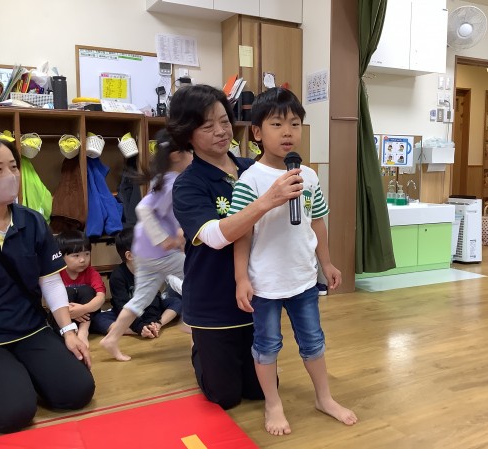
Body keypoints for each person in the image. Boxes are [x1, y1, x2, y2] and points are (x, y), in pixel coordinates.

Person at [228, 87, 357, 436]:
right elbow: (242, 234)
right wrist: (241, 278)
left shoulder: (309, 176)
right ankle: (273, 403)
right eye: (277, 124)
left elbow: (317, 222)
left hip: (303, 279)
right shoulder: (250, 180)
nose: (287, 132)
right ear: (257, 132)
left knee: (313, 341)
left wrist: (326, 264)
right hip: (266, 283)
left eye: (295, 124)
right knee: (267, 345)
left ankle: (324, 398)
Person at [169, 84, 302, 410]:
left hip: (257, 294)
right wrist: (266, 201)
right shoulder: (188, 184)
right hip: (213, 300)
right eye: (207, 125)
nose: (220, 131)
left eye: (224, 121)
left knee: (259, 391)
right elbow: (215, 236)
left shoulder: (251, 168)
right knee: (224, 396)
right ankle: (201, 347)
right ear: (188, 134)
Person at [0, 139, 94, 433]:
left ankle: (22, 374)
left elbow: (50, 281)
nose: (10, 176)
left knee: (78, 390)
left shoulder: (33, 221)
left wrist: (68, 331)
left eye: (13, 167)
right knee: (14, 413)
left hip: (30, 329)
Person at [100, 130, 190, 361]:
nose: (193, 156)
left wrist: (177, 235)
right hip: (158, 252)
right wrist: (165, 239)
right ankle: (191, 323)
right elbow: (143, 209)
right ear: (176, 155)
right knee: (199, 276)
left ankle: (111, 339)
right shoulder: (171, 181)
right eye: (190, 151)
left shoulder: (163, 177)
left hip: (146, 252)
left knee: (141, 299)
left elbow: (167, 214)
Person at [91, 227, 182, 338]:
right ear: (130, 256)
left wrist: (154, 321)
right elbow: (121, 305)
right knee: (98, 319)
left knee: (176, 302)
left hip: (151, 310)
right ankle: (133, 331)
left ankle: (157, 325)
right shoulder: (117, 275)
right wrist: (139, 327)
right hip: (127, 313)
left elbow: (154, 298)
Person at [56, 230, 106, 347]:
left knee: (86, 290)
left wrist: (83, 309)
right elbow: (49, 301)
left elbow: (101, 297)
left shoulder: (92, 273)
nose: (83, 260)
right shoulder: (57, 275)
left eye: (87, 254)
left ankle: (83, 332)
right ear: (61, 256)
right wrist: (69, 312)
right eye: (76, 255)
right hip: (64, 318)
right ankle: (70, 333)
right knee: (66, 292)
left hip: (87, 317)